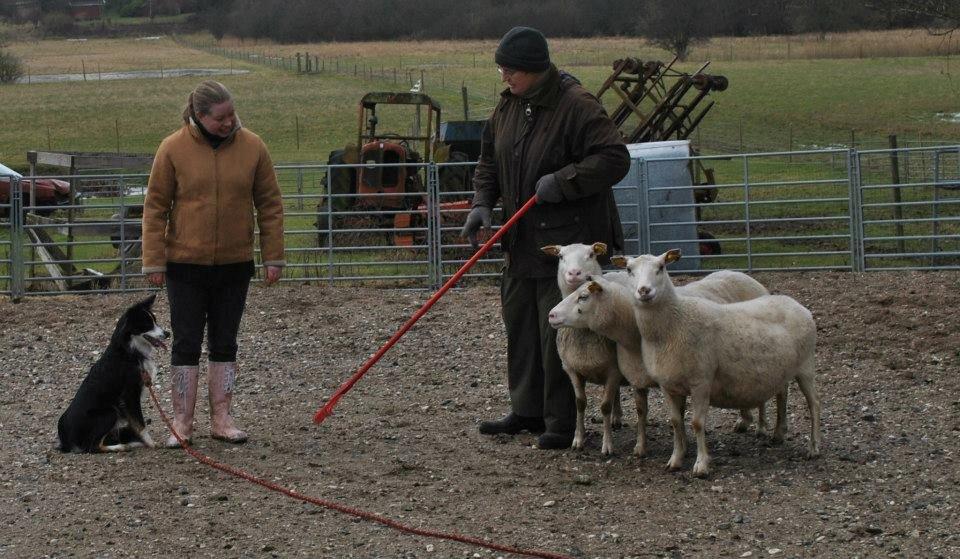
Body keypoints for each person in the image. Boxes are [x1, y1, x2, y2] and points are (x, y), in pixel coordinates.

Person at [461, 27, 630, 450]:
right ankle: (527, 409)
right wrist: (482, 202)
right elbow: (488, 161)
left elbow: (614, 158)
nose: (504, 77)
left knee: (560, 328)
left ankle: (562, 420)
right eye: (502, 69)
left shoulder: (576, 105)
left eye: (510, 70)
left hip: (569, 247)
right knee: (520, 326)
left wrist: (565, 180)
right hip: (520, 241)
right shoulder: (508, 107)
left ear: (535, 69)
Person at [141, 80, 285, 447]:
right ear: (200, 116)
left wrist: (273, 256)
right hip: (185, 265)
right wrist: (153, 260)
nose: (228, 122)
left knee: (226, 342)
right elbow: (156, 207)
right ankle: (182, 421)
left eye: (231, 114)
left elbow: (269, 204)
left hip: (235, 264)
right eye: (220, 117)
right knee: (185, 342)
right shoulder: (172, 149)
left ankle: (222, 417)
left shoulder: (254, 147)